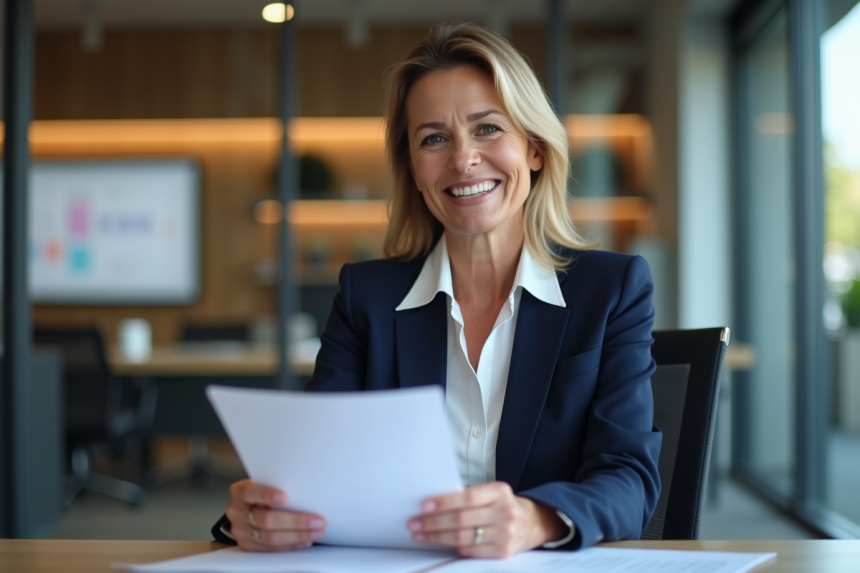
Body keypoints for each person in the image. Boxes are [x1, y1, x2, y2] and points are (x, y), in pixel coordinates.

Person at [212, 22, 661, 558]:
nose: (463, 158)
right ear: (414, 171)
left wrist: (534, 520)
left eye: (488, 128)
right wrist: (261, 515)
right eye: (433, 138)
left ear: (535, 149)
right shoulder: (366, 300)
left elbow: (628, 478)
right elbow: (317, 474)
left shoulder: (610, 290)